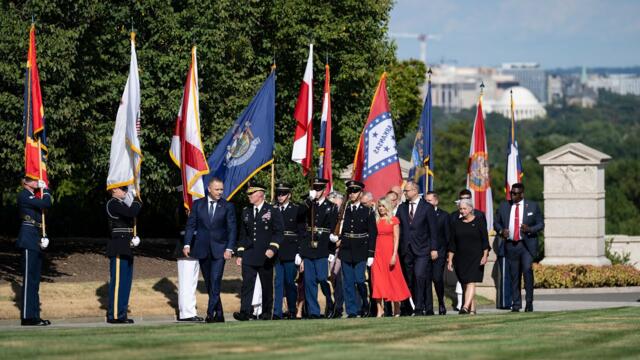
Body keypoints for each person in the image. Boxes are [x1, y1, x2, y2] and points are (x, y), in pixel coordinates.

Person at [183, 177, 237, 323]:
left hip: (220, 250)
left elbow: (232, 230)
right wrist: (187, 244)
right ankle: (219, 313)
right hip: (202, 249)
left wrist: (230, 248)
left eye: (221, 189)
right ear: (209, 189)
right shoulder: (197, 205)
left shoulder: (227, 206)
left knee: (215, 280)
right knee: (209, 283)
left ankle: (210, 313)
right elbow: (191, 226)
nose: (220, 192)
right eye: (217, 189)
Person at [234, 183, 284, 321]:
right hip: (249, 254)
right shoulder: (246, 211)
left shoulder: (272, 210)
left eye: (252, 193)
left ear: (260, 194)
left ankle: (267, 312)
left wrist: (273, 248)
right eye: (248, 194)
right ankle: (244, 312)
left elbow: (279, 232)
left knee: (266, 285)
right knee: (247, 285)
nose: (249, 196)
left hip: (265, 255)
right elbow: (243, 235)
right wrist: (240, 254)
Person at [494, 183, 544, 312]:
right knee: (514, 276)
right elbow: (496, 223)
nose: (513, 195)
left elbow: (541, 224)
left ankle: (529, 303)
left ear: (522, 194)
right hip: (511, 245)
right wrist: (501, 231)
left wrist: (530, 229)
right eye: (511, 193)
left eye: (515, 193)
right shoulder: (505, 206)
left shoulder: (532, 206)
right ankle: (516, 304)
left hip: (526, 246)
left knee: (527, 271)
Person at [396, 181, 438, 316]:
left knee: (419, 276)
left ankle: (420, 307)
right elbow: (398, 228)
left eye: (407, 191)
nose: (405, 193)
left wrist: (434, 248)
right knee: (409, 279)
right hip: (406, 249)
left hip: (423, 249)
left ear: (414, 190)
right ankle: (409, 306)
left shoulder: (427, 207)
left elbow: (433, 230)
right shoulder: (402, 208)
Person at [298, 178, 337, 319]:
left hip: (322, 247)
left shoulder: (331, 207)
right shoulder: (308, 204)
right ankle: (314, 311)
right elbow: (299, 214)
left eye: (319, 189)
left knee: (321, 278)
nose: (317, 191)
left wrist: (331, 250)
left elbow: (333, 230)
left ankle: (329, 300)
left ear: (324, 190)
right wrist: (309, 199)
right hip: (309, 247)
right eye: (315, 188)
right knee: (309, 281)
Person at [339, 180, 377, 318]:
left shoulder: (367, 211)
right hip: (346, 249)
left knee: (360, 280)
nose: (352, 194)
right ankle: (352, 311)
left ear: (361, 193)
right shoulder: (344, 210)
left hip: (361, 249)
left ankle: (365, 304)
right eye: (350, 191)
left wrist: (371, 254)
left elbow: (373, 233)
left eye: (355, 191)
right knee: (348, 282)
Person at [17, 176, 52, 326]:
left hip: (36, 237)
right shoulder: (24, 195)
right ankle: (27, 316)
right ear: (25, 182)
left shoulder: (33, 195)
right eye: (32, 180)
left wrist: (43, 236)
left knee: (35, 281)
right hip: (28, 238)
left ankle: (35, 315)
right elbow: (46, 203)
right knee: (29, 278)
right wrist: (47, 190)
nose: (36, 181)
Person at [105, 185, 142, 324]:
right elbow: (131, 212)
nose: (126, 191)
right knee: (118, 282)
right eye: (123, 189)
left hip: (126, 245)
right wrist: (137, 199)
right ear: (114, 189)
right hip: (118, 246)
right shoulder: (113, 203)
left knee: (125, 283)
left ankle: (121, 313)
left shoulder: (120, 204)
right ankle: (114, 314)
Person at [447, 198, 490, 314]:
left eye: (464, 208)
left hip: (476, 257)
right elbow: (452, 244)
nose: (462, 211)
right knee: (465, 283)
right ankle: (472, 309)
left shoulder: (479, 221)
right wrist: (450, 260)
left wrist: (485, 255)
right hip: (460, 259)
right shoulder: (456, 224)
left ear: (471, 208)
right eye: (460, 209)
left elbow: (485, 241)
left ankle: (465, 307)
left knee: (471, 281)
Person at [371, 199, 410, 317]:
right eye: (379, 206)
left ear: (387, 207)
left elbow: (396, 239)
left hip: (390, 253)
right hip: (377, 254)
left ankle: (397, 308)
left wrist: (394, 255)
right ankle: (380, 309)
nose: (381, 208)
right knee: (377, 280)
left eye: (383, 206)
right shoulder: (375, 220)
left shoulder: (394, 220)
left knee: (393, 280)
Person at [273, 182, 305, 320]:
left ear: (289, 195)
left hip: (291, 250)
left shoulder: (296, 209)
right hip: (276, 250)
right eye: (278, 194)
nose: (280, 196)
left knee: (290, 282)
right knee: (278, 282)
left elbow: (302, 232)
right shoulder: (273, 209)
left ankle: (292, 309)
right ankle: (277, 311)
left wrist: (300, 252)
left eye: (283, 194)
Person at [424, 191, 450, 315]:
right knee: (426, 279)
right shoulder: (421, 214)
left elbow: (447, 236)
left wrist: (448, 254)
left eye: (430, 200)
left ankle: (441, 302)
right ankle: (428, 307)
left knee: (437, 277)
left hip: (439, 253)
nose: (427, 203)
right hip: (424, 252)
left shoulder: (444, 216)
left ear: (436, 201)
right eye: (426, 200)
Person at [327, 191, 345, 318]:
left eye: (337, 205)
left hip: (341, 252)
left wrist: (339, 241)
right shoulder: (327, 217)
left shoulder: (345, 218)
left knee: (339, 280)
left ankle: (338, 307)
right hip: (327, 251)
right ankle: (330, 307)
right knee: (329, 280)